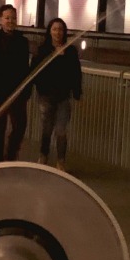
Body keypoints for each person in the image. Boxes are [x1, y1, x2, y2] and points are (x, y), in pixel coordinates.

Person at [0, 4, 31, 162]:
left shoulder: (22, 41)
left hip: (17, 92)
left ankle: (10, 157)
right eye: (7, 18)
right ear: (1, 19)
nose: (11, 21)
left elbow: (25, 68)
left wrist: (26, 91)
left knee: (20, 126)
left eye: (13, 18)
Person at [31, 17, 82, 171]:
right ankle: (43, 156)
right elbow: (34, 71)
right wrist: (40, 88)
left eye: (60, 29)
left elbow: (76, 73)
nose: (58, 32)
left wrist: (77, 91)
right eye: (54, 29)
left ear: (64, 32)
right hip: (46, 96)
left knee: (61, 130)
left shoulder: (71, 51)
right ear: (49, 31)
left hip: (63, 97)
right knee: (46, 128)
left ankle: (61, 161)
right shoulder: (43, 50)